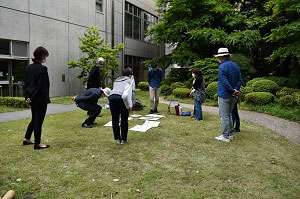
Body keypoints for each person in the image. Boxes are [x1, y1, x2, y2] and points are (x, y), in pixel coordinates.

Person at [23, 46, 50, 150]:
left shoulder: (29, 67)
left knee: (34, 119)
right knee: (39, 120)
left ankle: (27, 139)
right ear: (42, 55)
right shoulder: (42, 69)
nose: (45, 58)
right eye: (45, 56)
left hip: (31, 98)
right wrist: (33, 97)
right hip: (40, 99)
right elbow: (41, 86)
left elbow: (26, 84)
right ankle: (37, 144)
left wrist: (28, 97)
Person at [214, 48, 242, 142]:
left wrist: (231, 90)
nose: (218, 59)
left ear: (221, 57)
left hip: (225, 94)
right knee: (229, 115)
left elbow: (224, 82)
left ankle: (225, 136)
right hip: (234, 95)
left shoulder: (222, 67)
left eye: (219, 57)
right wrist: (235, 90)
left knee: (224, 116)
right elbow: (239, 80)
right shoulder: (235, 66)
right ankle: (230, 134)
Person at [108, 68, 134, 144]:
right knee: (124, 119)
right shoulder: (129, 81)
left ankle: (117, 139)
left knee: (115, 119)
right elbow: (126, 95)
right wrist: (129, 106)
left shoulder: (116, 80)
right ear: (130, 75)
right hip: (121, 99)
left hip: (112, 99)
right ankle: (123, 139)